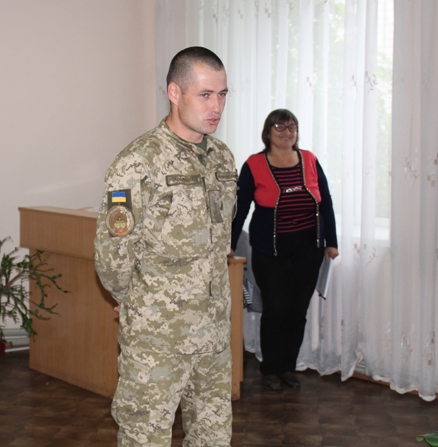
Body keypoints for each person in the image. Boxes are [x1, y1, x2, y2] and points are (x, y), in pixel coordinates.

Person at [94, 46, 237, 446]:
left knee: (213, 437)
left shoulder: (222, 159)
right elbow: (112, 253)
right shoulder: (138, 163)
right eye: (205, 95)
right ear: (175, 93)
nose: (216, 107)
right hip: (158, 337)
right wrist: (135, 300)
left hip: (212, 332)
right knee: (146, 437)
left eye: (222, 94)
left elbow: (220, 241)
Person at [231, 108, 339, 391]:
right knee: (276, 309)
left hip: (309, 249)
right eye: (280, 127)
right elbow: (240, 209)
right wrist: (228, 245)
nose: (286, 133)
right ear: (268, 132)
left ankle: (288, 367)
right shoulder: (254, 164)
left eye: (291, 127)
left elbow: (326, 202)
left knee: (297, 309)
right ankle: (271, 368)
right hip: (270, 251)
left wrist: (332, 242)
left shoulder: (310, 160)